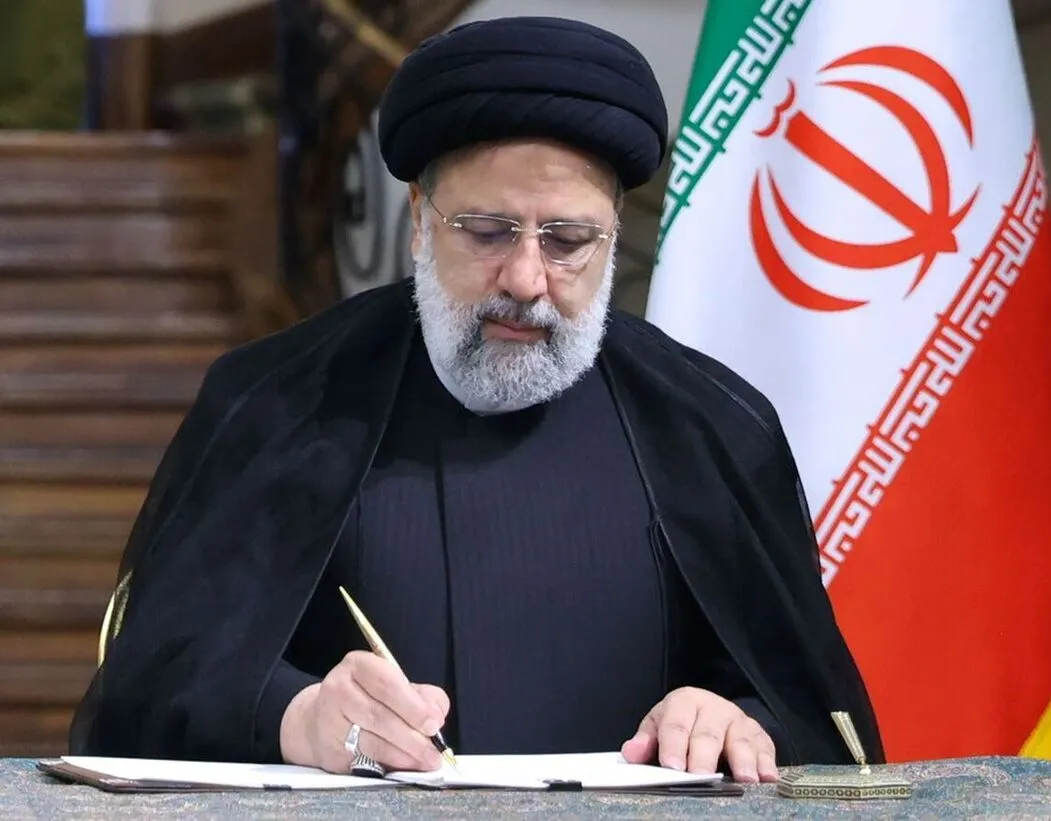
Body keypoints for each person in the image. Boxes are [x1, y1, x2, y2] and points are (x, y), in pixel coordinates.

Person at [69, 16, 883, 783]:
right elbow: (148, 686)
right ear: (419, 221)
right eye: (488, 232)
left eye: (568, 241)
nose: (525, 280)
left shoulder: (712, 423)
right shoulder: (276, 403)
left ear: (612, 235)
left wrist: (738, 720)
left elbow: (819, 720)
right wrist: (294, 715)